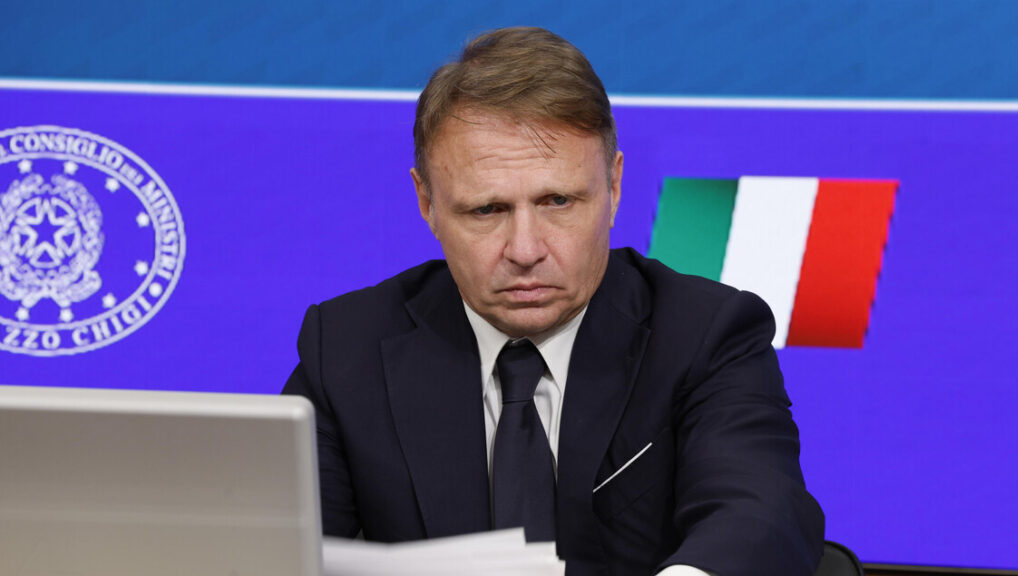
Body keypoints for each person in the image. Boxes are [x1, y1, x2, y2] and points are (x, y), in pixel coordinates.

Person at [284, 26, 824, 576]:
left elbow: (762, 515)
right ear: (427, 202)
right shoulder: (347, 347)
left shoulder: (705, 335)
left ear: (613, 187)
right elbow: (277, 547)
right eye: (487, 210)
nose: (525, 250)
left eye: (558, 201)